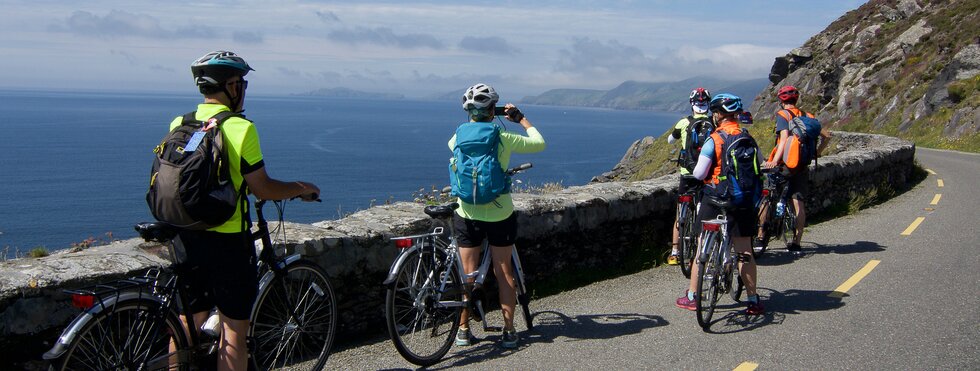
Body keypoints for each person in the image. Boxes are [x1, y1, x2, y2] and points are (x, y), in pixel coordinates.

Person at [174, 50, 320, 371]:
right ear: (231, 86)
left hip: (185, 234)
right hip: (227, 240)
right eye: (241, 82)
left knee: (187, 321)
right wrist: (300, 188)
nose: (243, 88)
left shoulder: (181, 122)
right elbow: (262, 188)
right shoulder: (240, 128)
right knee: (233, 330)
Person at [450, 83, 545, 349]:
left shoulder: (457, 136)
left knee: (467, 274)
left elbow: (453, 149)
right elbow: (539, 143)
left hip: (465, 210)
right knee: (504, 272)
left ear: (469, 112)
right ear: (494, 110)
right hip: (499, 212)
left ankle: (463, 330)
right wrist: (520, 119)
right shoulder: (503, 137)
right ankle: (509, 330)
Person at [675, 93, 764, 315]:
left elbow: (698, 173)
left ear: (717, 115)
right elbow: (760, 164)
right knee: (745, 252)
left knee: (700, 246)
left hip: (714, 200)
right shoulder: (747, 137)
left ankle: (692, 296)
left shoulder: (714, 139)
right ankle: (752, 300)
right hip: (742, 201)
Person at [757, 85, 831, 252]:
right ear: (796, 99)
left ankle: (761, 237)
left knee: (766, 196)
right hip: (801, 166)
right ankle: (796, 242)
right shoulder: (809, 116)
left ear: (781, 101)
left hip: (785, 165)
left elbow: (783, 140)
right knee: (798, 203)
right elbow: (827, 136)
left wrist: (773, 161)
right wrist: (816, 153)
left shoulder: (783, 115)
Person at [666, 87, 713, 265]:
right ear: (708, 104)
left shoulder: (684, 122)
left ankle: (675, 252)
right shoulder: (713, 122)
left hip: (687, 172)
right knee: (705, 210)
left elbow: (670, 139)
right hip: (706, 173)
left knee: (680, 213)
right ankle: (702, 250)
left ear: (692, 104)